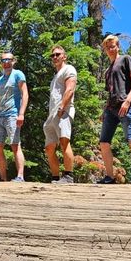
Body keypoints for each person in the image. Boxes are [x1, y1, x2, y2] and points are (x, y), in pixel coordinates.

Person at [99, 34, 131, 184]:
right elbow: (112, 91)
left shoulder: (125, 59)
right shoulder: (107, 71)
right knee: (104, 143)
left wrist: (128, 101)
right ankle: (109, 176)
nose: (110, 49)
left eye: (113, 46)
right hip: (111, 110)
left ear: (118, 47)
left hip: (126, 107)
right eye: (107, 47)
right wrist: (104, 110)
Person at [0, 52, 29, 182]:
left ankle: (20, 176)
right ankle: (3, 178)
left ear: (13, 61)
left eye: (9, 60)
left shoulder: (18, 74)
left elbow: (25, 94)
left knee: (14, 145)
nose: (6, 62)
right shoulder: (0, 79)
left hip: (13, 115)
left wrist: (21, 114)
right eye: (3, 60)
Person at [44, 45, 78, 184]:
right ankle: (55, 177)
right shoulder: (55, 76)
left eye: (58, 54)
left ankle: (68, 176)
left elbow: (70, 89)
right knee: (49, 147)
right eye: (53, 55)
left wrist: (62, 107)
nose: (55, 57)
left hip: (63, 111)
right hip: (52, 115)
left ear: (64, 56)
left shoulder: (69, 69)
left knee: (64, 141)